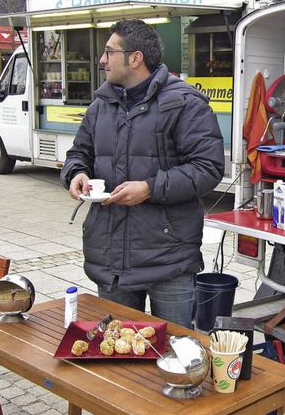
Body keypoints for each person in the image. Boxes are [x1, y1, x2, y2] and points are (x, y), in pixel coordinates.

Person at [61, 19, 225, 328]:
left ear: (135, 58)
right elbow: (78, 154)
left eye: (110, 52)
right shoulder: (101, 104)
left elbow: (208, 168)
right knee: (117, 357)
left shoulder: (185, 104)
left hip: (168, 259)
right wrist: (76, 174)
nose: (102, 60)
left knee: (178, 354)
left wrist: (150, 188)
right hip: (111, 260)